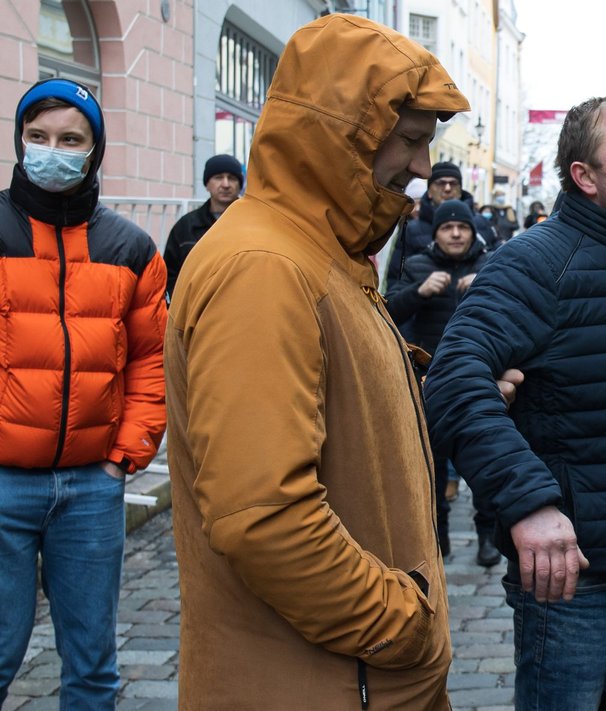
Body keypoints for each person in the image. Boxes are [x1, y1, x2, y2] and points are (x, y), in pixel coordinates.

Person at [164, 15, 469, 709]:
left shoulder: (320, 251)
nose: (423, 168)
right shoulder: (264, 266)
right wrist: (405, 624)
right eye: (414, 141)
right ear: (343, 133)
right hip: (326, 685)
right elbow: (264, 516)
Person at [423, 90, 606, 711]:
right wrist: (528, 504)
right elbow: (452, 382)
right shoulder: (532, 267)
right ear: (585, 177)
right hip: (576, 586)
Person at [0, 77, 167, 709]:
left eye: (71, 139)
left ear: (94, 150)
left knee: (93, 666)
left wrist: (126, 451)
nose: (53, 150)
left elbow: (151, 360)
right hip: (3, 482)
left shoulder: (130, 247)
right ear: (19, 140)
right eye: (38, 136)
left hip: (91, 490)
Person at [386, 198, 499, 566]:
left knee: (486, 467)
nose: (455, 233)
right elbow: (386, 311)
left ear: (473, 232)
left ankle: (487, 539)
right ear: (436, 234)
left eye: (462, 228)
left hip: (481, 380)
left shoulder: (491, 264)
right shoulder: (417, 264)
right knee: (431, 471)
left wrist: (484, 284)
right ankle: (439, 540)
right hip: (428, 382)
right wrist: (420, 292)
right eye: (448, 228)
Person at [385, 160, 497, 281]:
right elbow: (396, 276)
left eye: (453, 183)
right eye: (441, 183)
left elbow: (498, 267)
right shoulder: (412, 230)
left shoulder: (482, 224)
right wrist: (418, 291)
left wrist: (480, 280)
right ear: (429, 192)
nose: (447, 188)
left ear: (460, 190)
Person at [163, 153, 242, 299]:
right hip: (195, 310)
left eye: (231, 178)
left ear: (239, 185)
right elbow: (170, 273)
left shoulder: (250, 225)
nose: (225, 184)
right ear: (207, 184)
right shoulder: (185, 227)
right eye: (218, 177)